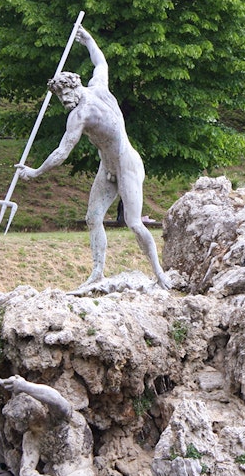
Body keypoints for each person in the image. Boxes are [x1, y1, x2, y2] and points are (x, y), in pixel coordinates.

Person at [15, 27, 170, 290]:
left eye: (65, 95)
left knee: (134, 222)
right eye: (59, 97)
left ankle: (159, 273)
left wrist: (36, 172)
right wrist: (88, 40)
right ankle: (97, 272)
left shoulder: (81, 114)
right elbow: (101, 62)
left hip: (126, 165)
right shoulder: (96, 86)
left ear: (75, 87)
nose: (64, 101)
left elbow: (62, 153)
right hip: (106, 167)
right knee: (93, 218)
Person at [0, 375, 103, 476]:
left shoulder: (62, 418)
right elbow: (26, 471)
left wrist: (24, 386)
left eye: (20, 423)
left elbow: (54, 397)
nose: (16, 427)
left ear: (33, 416)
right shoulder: (31, 436)